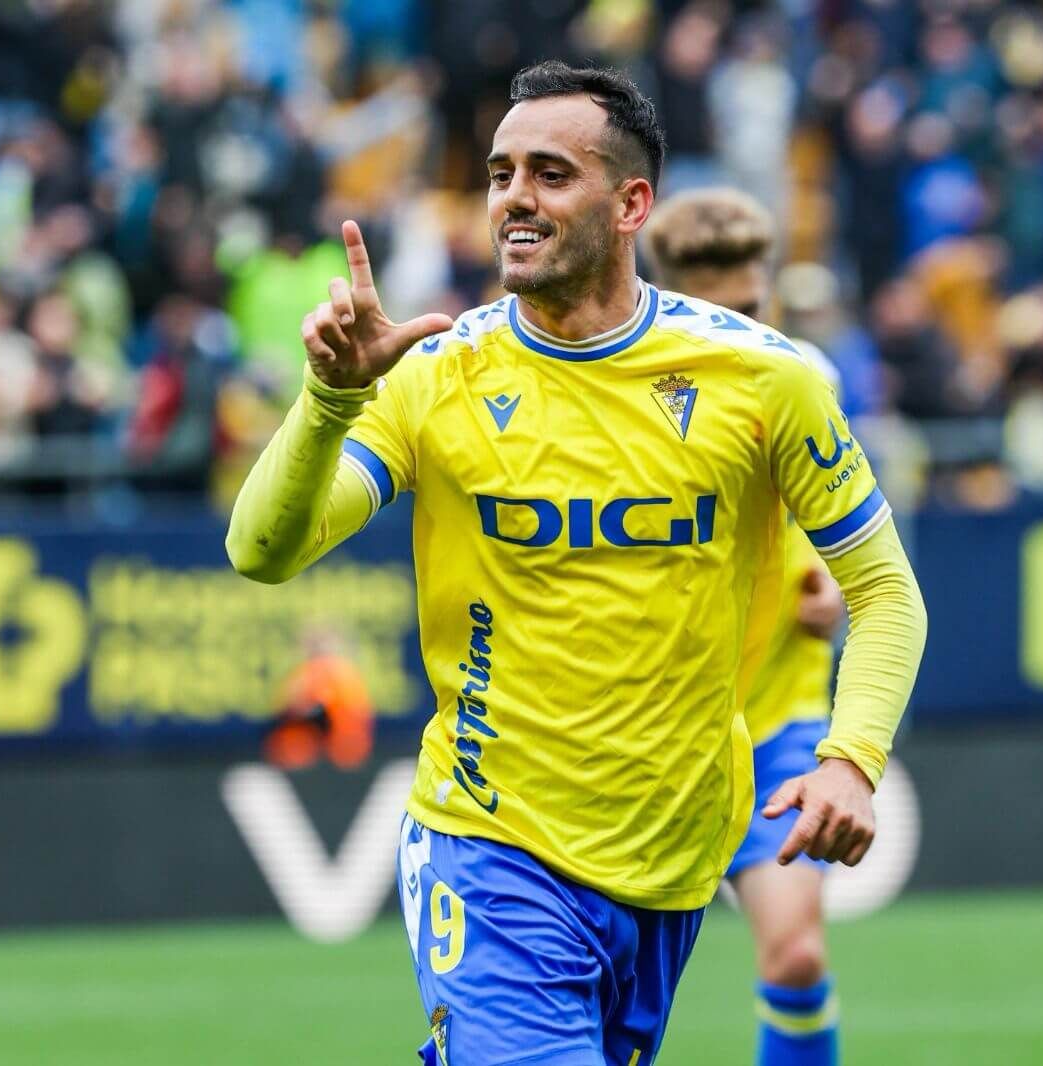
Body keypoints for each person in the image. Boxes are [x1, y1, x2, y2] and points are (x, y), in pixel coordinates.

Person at [227, 61, 927, 1065]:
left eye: (551, 173)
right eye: (500, 172)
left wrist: (849, 759)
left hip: (667, 863)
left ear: (631, 201)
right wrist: (329, 401)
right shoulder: (434, 374)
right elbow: (262, 549)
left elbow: (886, 593)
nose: (514, 195)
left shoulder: (764, 380)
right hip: (489, 846)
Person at [646, 186, 848, 1065]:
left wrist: (840, 596)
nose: (744, 331)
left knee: (797, 955)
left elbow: (850, 531)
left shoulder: (801, 376)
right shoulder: (621, 389)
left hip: (774, 717)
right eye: (718, 313)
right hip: (648, 730)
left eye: (754, 308)